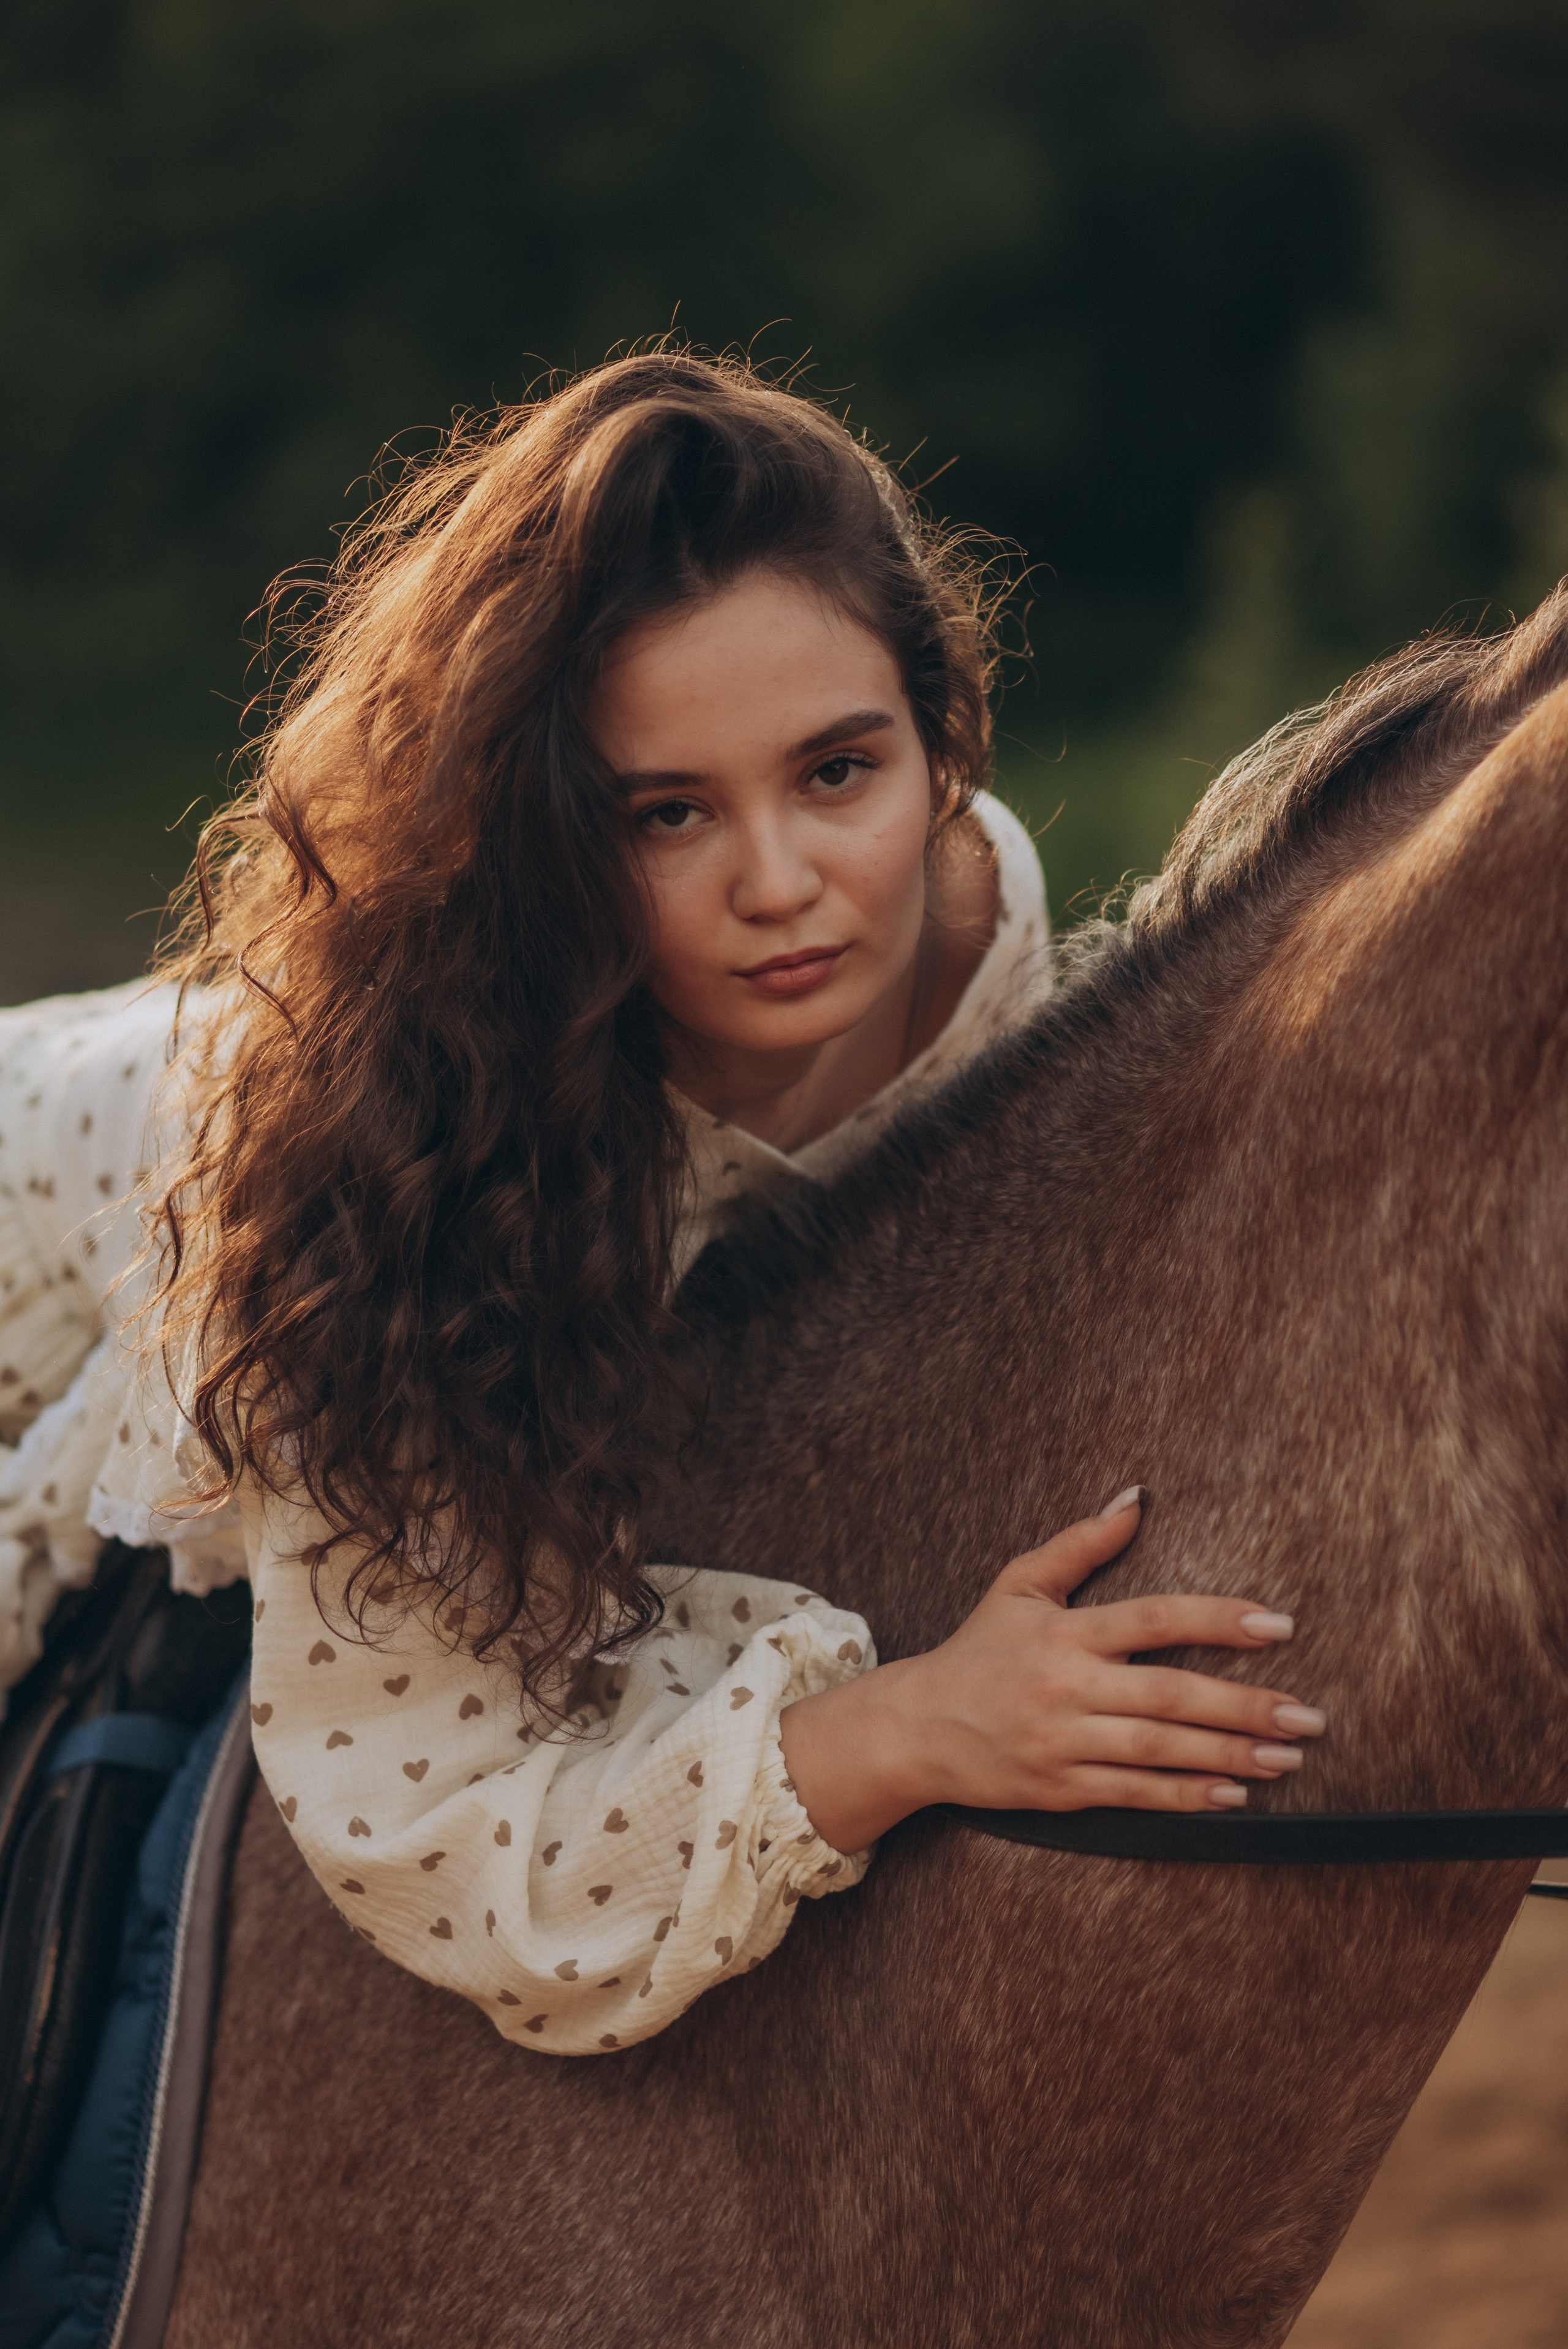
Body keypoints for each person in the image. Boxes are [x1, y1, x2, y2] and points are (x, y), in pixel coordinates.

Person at [0, 352, 1326, 2054]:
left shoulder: (979, 917)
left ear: (940, 735)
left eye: (840, 770)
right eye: (666, 813)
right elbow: (442, 1830)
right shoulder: (403, 1183)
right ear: (528, 837)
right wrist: (907, 1729)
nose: (785, 885)